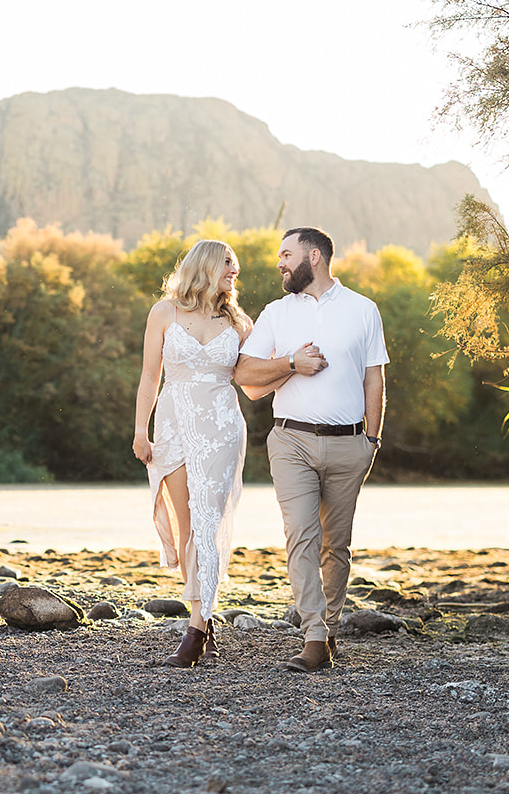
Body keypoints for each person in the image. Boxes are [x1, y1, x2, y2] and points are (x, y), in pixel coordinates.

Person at [234, 226, 387, 673]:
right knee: (301, 535)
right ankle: (314, 637)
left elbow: (374, 377)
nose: (280, 263)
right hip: (291, 440)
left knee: (336, 546)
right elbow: (244, 372)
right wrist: (291, 364)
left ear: (314, 256)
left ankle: (332, 629)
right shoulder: (277, 313)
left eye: (287, 254)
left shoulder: (363, 309)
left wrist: (372, 440)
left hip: (350, 444)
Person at [132, 239, 254, 667]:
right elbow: (150, 377)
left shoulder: (239, 322)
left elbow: (256, 377)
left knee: (207, 520)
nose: (234, 273)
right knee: (188, 527)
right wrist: (140, 431)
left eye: (235, 268)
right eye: (228, 265)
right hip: (173, 425)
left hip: (221, 427)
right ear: (204, 266)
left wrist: (296, 363)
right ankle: (203, 618)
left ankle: (196, 631)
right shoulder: (164, 313)